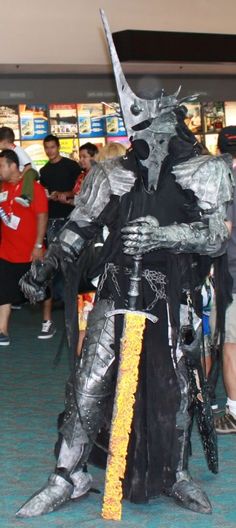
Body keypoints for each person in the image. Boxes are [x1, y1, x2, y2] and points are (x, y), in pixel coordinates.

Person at [16, 12, 233, 519]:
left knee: (177, 385)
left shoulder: (206, 170)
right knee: (89, 381)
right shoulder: (111, 173)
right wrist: (44, 269)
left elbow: (215, 239)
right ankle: (66, 474)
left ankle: (174, 472)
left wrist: (166, 233)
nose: (143, 136)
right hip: (117, 290)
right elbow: (79, 227)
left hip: (175, 291)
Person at [0, 149, 48, 345]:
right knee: (3, 289)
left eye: (1, 165)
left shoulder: (32, 188)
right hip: (7, 250)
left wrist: (38, 245)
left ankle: (48, 320)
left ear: (13, 166)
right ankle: (2, 330)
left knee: (42, 290)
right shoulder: (2, 187)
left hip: (31, 251)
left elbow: (42, 216)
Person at [38, 134, 80, 339]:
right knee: (55, 263)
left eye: (52, 147)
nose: (49, 151)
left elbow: (80, 189)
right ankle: (62, 299)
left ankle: (72, 300)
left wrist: (65, 194)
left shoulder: (72, 166)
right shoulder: (44, 171)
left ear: (58, 147)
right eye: (47, 148)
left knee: (72, 260)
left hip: (70, 218)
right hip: (53, 218)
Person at [214, 127, 236, 433]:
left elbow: (223, 231)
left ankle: (233, 410)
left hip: (232, 273)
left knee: (231, 344)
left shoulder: (225, 185)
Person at [0, 126, 38, 207]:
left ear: (4, 142)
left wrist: (20, 177)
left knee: (29, 174)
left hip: (31, 171)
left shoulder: (17, 150)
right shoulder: (6, 153)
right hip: (22, 171)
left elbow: (28, 166)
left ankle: (26, 197)